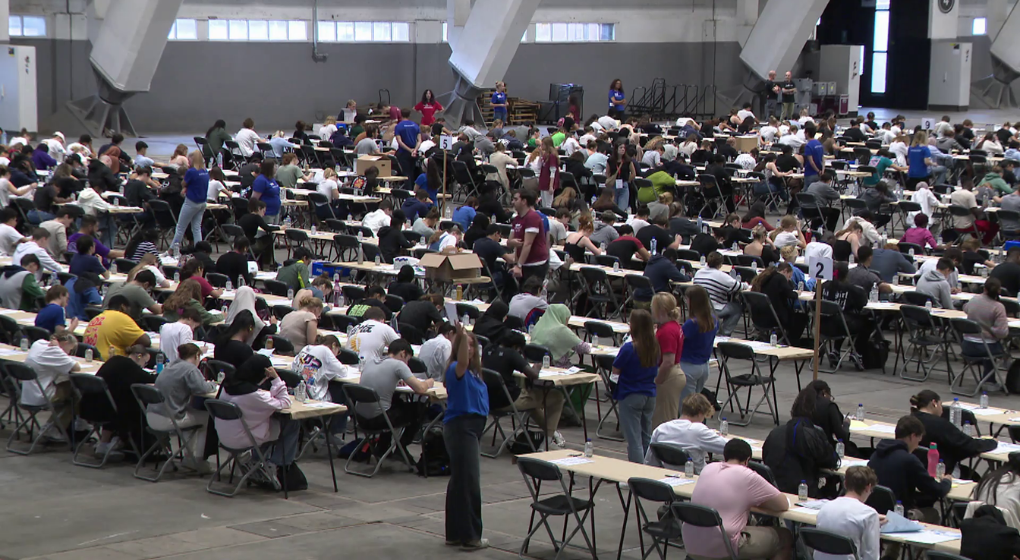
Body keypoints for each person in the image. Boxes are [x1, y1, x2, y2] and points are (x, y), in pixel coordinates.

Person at [683, 438, 794, 560]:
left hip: (691, 543)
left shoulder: (708, 468)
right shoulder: (746, 475)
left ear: (725, 457)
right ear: (747, 461)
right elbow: (782, 504)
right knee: (784, 537)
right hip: (723, 546)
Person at [219, 353, 306, 490]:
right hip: (243, 438)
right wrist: (276, 379)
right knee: (291, 423)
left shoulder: (227, 385)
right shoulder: (253, 395)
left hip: (224, 435)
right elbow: (284, 402)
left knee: (267, 422)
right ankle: (278, 463)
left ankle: (258, 461)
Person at [441, 326, 489, 549]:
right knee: (469, 482)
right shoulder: (455, 368)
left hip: (471, 428)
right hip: (462, 428)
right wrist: (460, 338)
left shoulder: (474, 372)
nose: (468, 349)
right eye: (464, 345)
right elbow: (461, 360)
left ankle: (455, 533)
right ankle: (470, 536)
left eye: (471, 345)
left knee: (460, 481)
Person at [147, 343, 217, 473]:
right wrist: (213, 384)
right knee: (206, 418)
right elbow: (202, 388)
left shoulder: (170, 366)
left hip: (152, 415)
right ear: (197, 355)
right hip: (168, 418)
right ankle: (196, 459)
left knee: (191, 414)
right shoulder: (190, 369)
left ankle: (189, 456)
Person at [869, 415, 952, 521]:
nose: (917, 446)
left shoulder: (876, 454)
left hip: (875, 511)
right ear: (912, 436)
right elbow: (936, 490)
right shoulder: (909, 460)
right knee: (933, 513)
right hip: (899, 514)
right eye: (918, 441)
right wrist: (946, 481)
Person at [762, 385, 839, 497]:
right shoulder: (813, 434)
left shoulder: (775, 432)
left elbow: (766, 456)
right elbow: (832, 461)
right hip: (802, 493)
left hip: (774, 491)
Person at [358, 338, 434, 449]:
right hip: (379, 420)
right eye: (407, 360)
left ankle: (382, 447)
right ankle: (401, 447)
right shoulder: (398, 365)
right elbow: (420, 389)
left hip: (361, 418)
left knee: (396, 401)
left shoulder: (371, 362)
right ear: (403, 353)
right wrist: (429, 382)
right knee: (419, 408)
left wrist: (397, 380)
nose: (407, 364)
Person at [910, 389, 998, 476]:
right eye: (941, 405)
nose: (942, 410)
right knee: (974, 476)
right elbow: (968, 445)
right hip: (942, 472)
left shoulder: (909, 420)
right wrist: (992, 442)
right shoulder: (940, 424)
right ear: (934, 403)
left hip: (914, 470)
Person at [612, 309, 659, 463]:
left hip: (630, 393)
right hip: (649, 393)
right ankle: (649, 465)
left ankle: (636, 471)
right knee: (646, 435)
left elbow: (616, 369)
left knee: (633, 438)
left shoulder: (629, 348)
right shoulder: (654, 346)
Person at [645, 393, 726, 472]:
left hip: (667, 475)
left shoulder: (661, 429)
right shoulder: (698, 430)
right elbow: (728, 447)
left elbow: (650, 461)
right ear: (700, 414)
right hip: (696, 477)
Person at [813, 466, 882, 560]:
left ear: (845, 484)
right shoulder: (869, 514)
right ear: (868, 487)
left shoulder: (825, 508)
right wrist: (872, 524)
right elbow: (872, 557)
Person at [21, 331, 80, 439]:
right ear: (65, 343)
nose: (69, 353)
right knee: (76, 392)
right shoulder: (55, 351)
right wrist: (58, 349)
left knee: (67, 387)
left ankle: (53, 425)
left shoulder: (38, 343)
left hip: (26, 394)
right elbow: (76, 368)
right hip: (41, 396)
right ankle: (54, 428)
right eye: (70, 350)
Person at [962, 276, 1010, 389]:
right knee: (997, 347)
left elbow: (965, 308)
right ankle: (990, 380)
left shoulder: (974, 300)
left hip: (966, 345)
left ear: (984, 289)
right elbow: (1002, 333)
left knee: (989, 344)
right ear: (999, 291)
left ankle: (989, 379)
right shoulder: (998, 307)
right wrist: (991, 329)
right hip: (985, 347)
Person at [649, 293, 686, 428]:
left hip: (668, 375)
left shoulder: (667, 331)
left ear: (661, 311)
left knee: (663, 420)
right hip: (673, 373)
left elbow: (668, 361)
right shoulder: (671, 325)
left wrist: (658, 379)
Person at [693, 251, 744, 336]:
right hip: (713, 309)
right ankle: (725, 333)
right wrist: (746, 284)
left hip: (697, 308)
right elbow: (738, 286)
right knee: (736, 308)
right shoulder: (721, 275)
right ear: (720, 264)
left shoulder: (698, 272)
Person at [530, 304, 590, 368]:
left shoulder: (538, 326)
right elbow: (585, 349)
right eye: (567, 319)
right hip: (559, 368)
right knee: (588, 369)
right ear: (562, 316)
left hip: (538, 367)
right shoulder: (561, 330)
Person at [508, 189, 549, 283]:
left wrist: (519, 266)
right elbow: (509, 242)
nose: (512, 202)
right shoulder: (517, 219)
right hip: (523, 263)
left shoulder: (532, 217)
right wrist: (512, 242)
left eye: (515, 199)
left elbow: (527, 244)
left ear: (524, 201)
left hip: (535, 264)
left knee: (530, 294)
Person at [170, 151, 209, 250]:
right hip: (202, 202)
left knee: (180, 227)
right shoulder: (205, 171)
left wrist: (185, 187)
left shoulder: (191, 172)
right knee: (196, 228)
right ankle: (199, 249)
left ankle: (172, 249)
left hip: (191, 202)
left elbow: (183, 183)